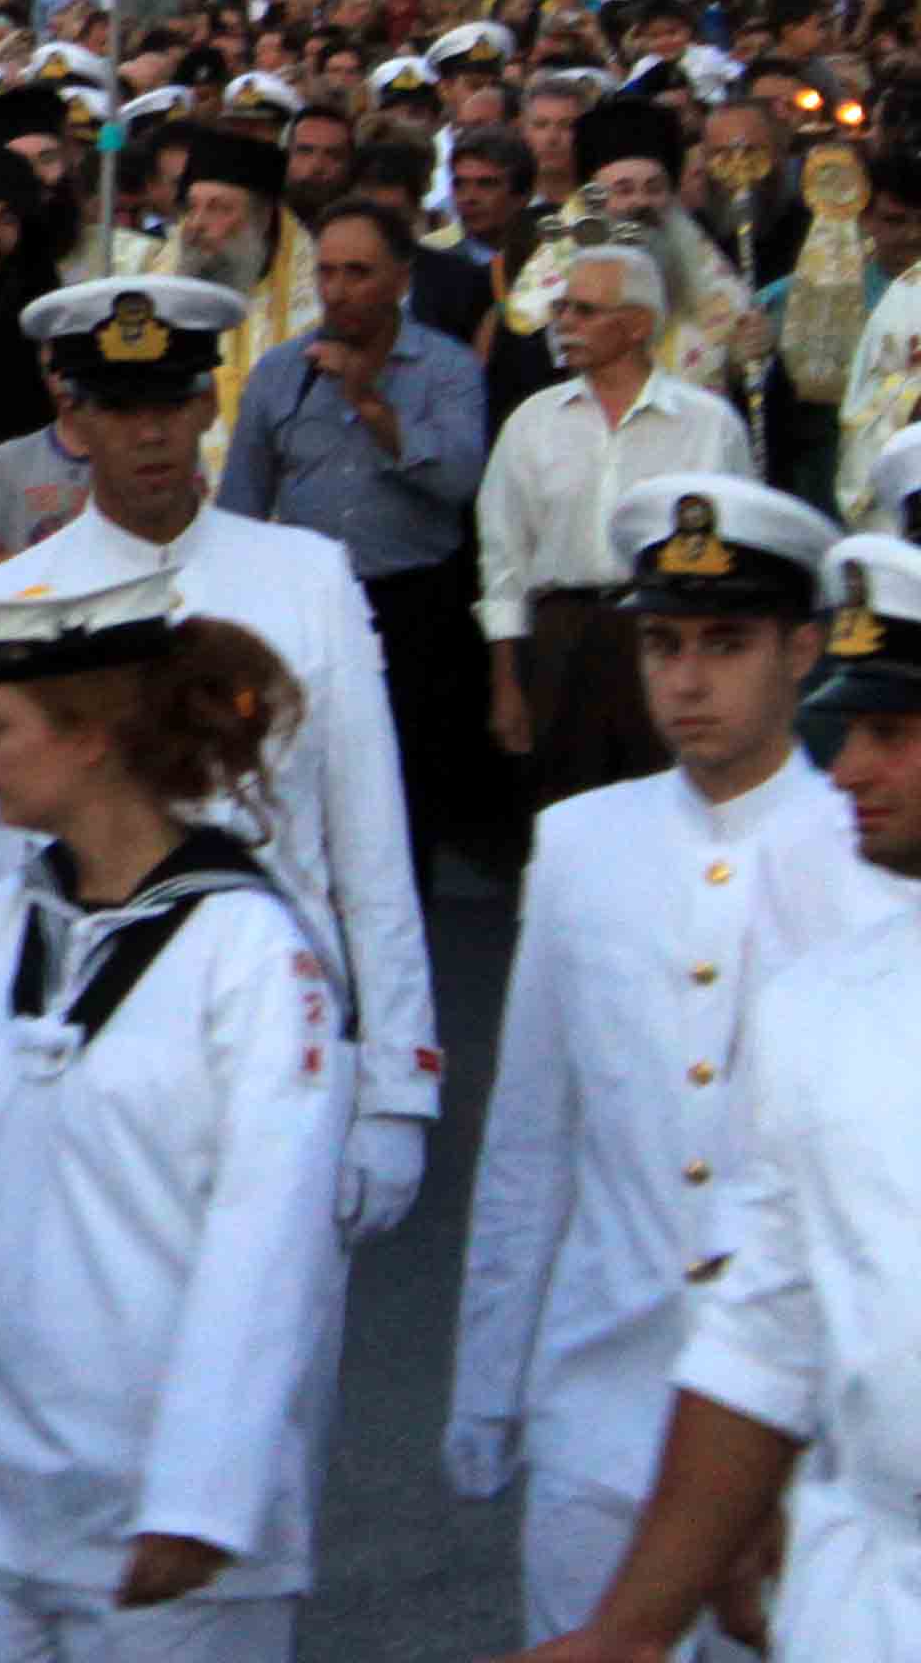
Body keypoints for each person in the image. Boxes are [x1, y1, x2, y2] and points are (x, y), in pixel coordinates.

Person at [0, 554, 349, 1663]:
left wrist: (201, 1498)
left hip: (156, 1516)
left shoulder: (252, 951)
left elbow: (269, 1239)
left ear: (90, 736)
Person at [449, 481, 886, 1653]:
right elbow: (533, 1134)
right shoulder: (583, 842)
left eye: (727, 645)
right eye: (664, 645)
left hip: (806, 1431)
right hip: (601, 1397)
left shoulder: (863, 852)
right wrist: (492, 1387)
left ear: (803, 650)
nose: (687, 682)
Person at [0, 278, 442, 1251]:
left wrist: (396, 1086)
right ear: (72, 415)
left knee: (269, 1375)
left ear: (211, 405)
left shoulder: (306, 580)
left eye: (171, 403)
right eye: (119, 408)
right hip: (79, 1044)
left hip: (278, 1038)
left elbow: (369, 847)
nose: (151, 434)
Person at [215, 197, 496, 876]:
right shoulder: (281, 370)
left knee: (405, 795)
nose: (338, 291)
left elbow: (459, 479)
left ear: (402, 278)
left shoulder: (447, 369)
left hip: (411, 607)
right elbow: (242, 505)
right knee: (303, 786)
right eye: (328, 272)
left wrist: (371, 405)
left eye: (359, 273)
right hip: (307, 608)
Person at [475, 227, 758, 818]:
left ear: (636, 325)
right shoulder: (533, 422)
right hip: (561, 637)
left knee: (673, 814)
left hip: (670, 637)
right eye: (561, 307)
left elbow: (740, 560)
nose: (565, 322)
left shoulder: (707, 425)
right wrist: (507, 681)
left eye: (584, 310)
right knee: (565, 818)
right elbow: (504, 560)